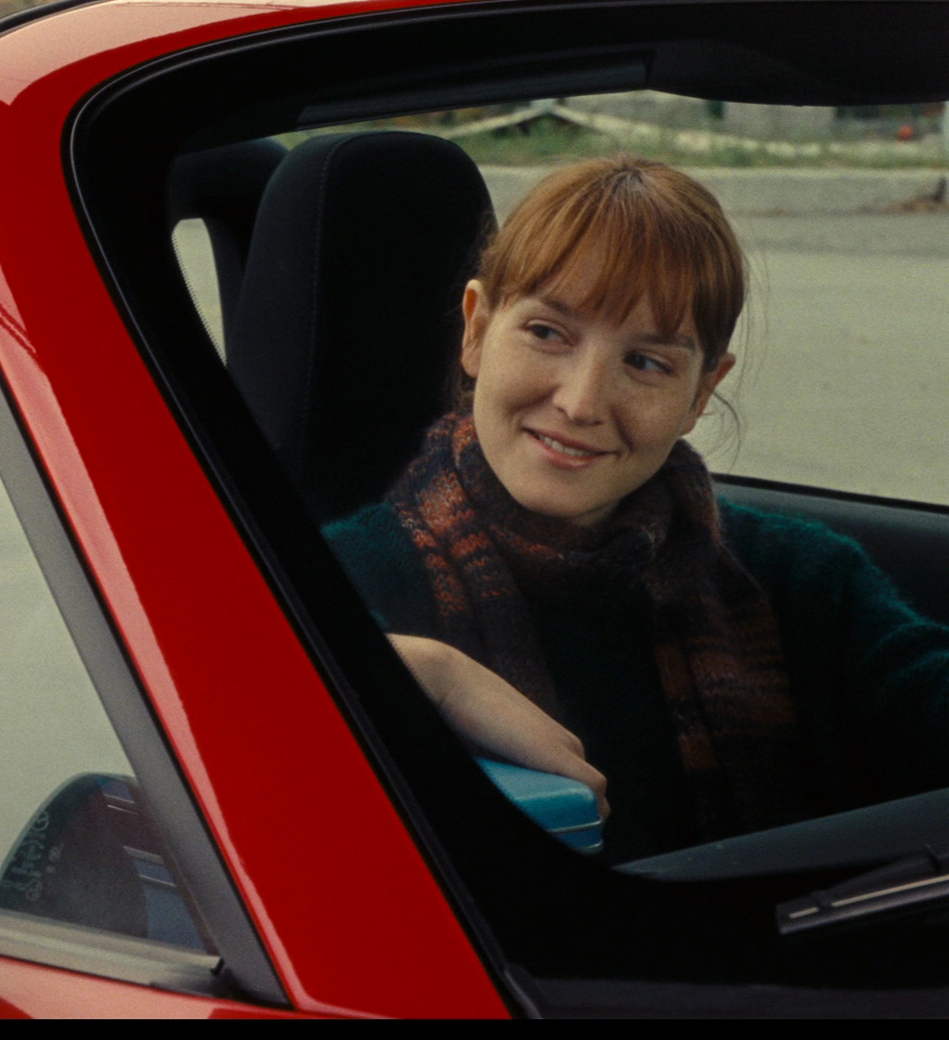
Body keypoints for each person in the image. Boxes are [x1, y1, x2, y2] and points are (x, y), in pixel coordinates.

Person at [321, 154, 949, 862]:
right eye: (547, 332)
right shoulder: (337, 579)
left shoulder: (807, 583)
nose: (581, 402)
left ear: (702, 393)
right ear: (476, 330)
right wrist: (413, 675)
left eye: (647, 363)